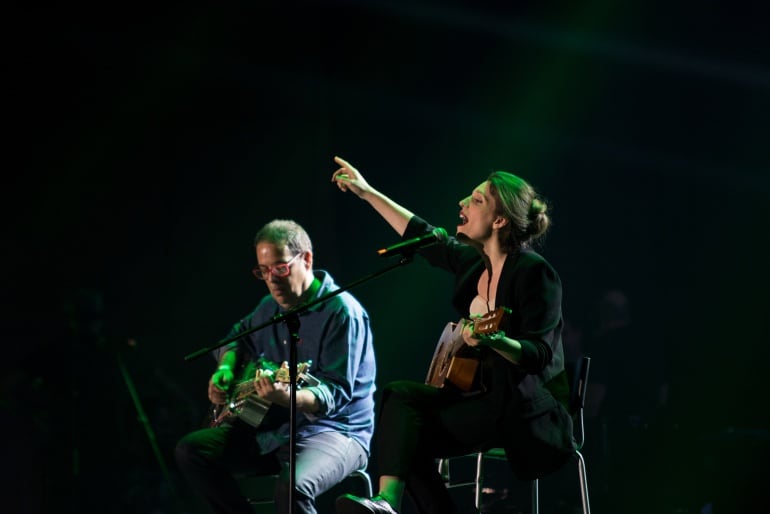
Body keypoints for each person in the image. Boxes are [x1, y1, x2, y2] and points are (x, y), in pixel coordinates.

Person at [330, 156, 575, 514]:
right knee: (400, 407)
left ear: (500, 220)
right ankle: (386, 502)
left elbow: (538, 354)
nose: (462, 203)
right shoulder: (475, 263)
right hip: (478, 399)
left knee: (407, 440)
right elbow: (420, 233)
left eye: (476, 201)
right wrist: (366, 193)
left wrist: (495, 341)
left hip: (521, 411)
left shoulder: (534, 273)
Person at [175, 219, 377, 514]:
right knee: (192, 451)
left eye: (280, 268)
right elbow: (235, 339)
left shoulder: (342, 312)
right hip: (278, 427)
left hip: (335, 432)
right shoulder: (269, 307)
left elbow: (333, 395)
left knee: (292, 487)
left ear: (306, 259)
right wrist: (226, 369)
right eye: (264, 271)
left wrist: (286, 397)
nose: (272, 279)